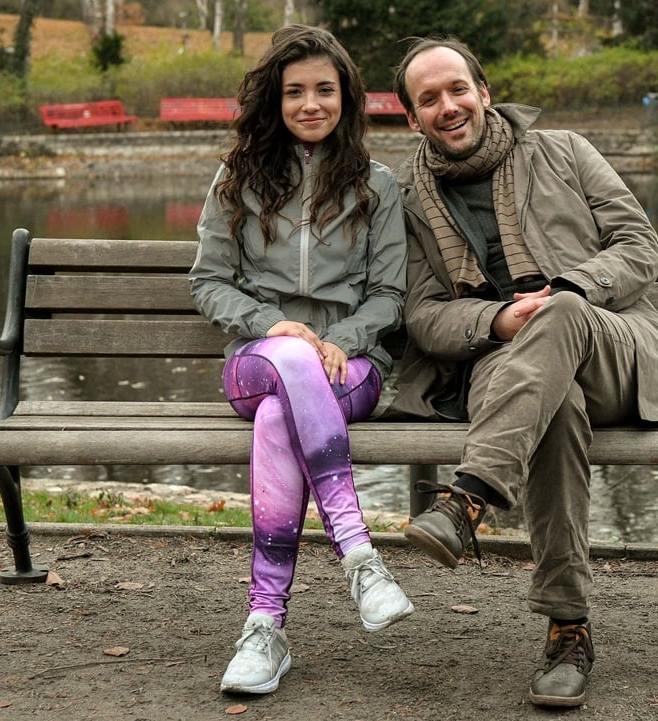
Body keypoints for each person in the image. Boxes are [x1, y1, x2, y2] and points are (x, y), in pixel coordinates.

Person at [385, 37, 658, 708]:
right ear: (413, 118)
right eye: (429, 99)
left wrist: (572, 289)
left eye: (457, 89)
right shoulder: (407, 197)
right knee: (554, 402)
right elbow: (422, 316)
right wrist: (496, 320)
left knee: (560, 314)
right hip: (503, 363)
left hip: (611, 344)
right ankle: (569, 630)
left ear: (483, 92)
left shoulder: (564, 151)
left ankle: (468, 497)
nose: (448, 106)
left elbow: (639, 247)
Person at [189, 24, 413, 696]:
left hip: (350, 367)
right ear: (275, 100)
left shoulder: (377, 185)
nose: (310, 103)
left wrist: (345, 335)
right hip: (255, 360)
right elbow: (209, 282)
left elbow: (390, 294)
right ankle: (358, 553)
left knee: (273, 421)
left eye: (324, 89)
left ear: (346, 96)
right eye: (294, 92)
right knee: (288, 358)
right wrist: (271, 325)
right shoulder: (237, 180)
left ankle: (265, 625)